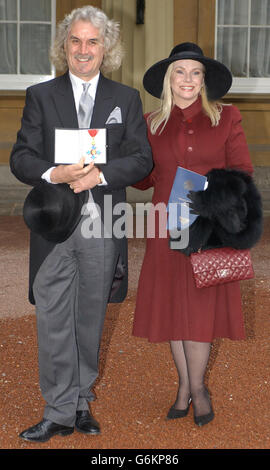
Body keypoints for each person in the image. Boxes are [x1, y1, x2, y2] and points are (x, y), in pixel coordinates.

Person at [10, 5, 152, 443]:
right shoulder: (40, 95)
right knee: (53, 317)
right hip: (54, 225)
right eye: (75, 41)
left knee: (89, 318)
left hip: (102, 223)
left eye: (92, 41)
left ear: (105, 47)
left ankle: (80, 401)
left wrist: (100, 174)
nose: (83, 50)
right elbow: (21, 157)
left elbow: (141, 158)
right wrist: (57, 173)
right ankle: (57, 410)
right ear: (64, 47)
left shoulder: (125, 99)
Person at [132, 42, 262, 426]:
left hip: (210, 227)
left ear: (204, 81)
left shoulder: (227, 117)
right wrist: (118, 154)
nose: (187, 79)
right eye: (179, 72)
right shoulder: (151, 122)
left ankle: (198, 389)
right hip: (165, 225)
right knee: (174, 307)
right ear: (168, 80)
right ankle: (184, 386)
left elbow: (243, 171)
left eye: (195, 73)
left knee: (201, 312)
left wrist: (210, 196)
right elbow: (144, 177)